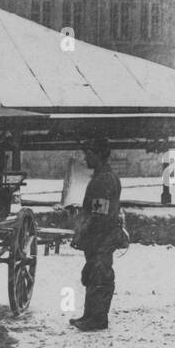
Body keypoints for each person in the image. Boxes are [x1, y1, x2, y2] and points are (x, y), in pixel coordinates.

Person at [70, 138, 123, 331]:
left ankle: (98, 319)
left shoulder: (103, 180)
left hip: (101, 235)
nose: (85, 159)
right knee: (93, 273)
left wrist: (85, 233)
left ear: (98, 155)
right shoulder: (104, 176)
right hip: (100, 234)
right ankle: (90, 315)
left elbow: (99, 214)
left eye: (89, 154)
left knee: (100, 275)